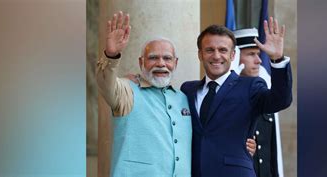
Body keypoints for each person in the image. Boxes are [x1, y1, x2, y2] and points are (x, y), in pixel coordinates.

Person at [95, 11, 256, 177]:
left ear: (175, 63)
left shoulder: (184, 97)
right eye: (153, 58)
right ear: (141, 62)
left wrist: (242, 144)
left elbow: (209, 132)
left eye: (167, 58)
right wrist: (111, 55)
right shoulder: (127, 91)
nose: (161, 63)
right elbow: (105, 82)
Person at [180, 17, 292, 177]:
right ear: (200, 54)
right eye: (209, 50)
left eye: (223, 50)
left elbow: (280, 100)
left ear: (233, 55)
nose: (216, 56)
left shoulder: (250, 86)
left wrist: (277, 60)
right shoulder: (187, 90)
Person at [232, 26, 289, 177]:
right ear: (234, 56)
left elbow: (272, 153)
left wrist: (278, 58)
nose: (258, 61)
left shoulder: (264, 92)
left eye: (258, 54)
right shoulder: (220, 96)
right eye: (251, 54)